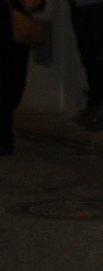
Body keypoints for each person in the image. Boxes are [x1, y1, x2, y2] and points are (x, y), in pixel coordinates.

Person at [0, 0, 46, 157]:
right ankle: (4, 140)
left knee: (13, 88)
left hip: (15, 32)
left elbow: (36, 3)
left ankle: (4, 137)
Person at [69, 0, 103, 130]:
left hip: (101, 6)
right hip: (80, 5)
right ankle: (96, 103)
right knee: (88, 56)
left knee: (101, 56)